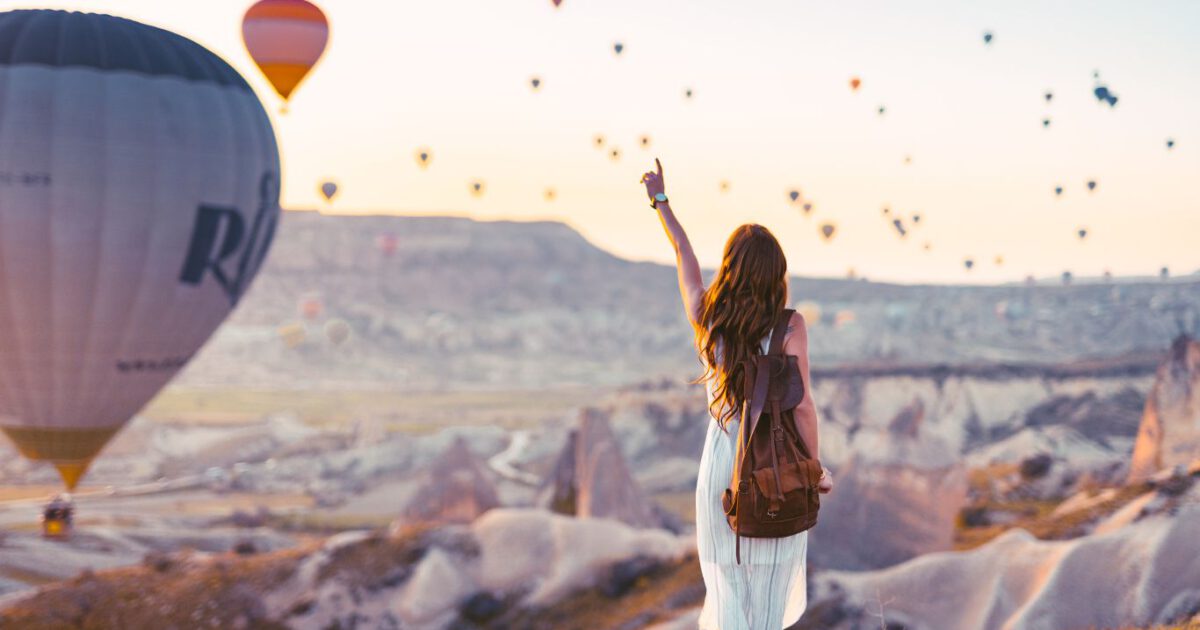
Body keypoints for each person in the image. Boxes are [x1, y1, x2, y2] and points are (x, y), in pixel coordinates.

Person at [640, 159, 833, 629]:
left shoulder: (707, 316)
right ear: (776, 275)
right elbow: (803, 405)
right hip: (773, 468)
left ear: (729, 268)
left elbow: (684, 256)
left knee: (726, 592)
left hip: (721, 466)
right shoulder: (790, 326)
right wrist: (816, 468)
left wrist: (661, 201)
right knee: (766, 601)